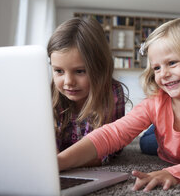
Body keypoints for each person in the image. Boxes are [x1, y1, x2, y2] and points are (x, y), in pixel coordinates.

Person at [57, 16, 180, 191]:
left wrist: (172, 173)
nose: (162, 74)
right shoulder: (156, 101)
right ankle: (160, 129)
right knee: (147, 144)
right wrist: (60, 161)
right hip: (169, 138)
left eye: (171, 63)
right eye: (156, 67)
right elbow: (112, 134)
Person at [47, 17, 127, 166]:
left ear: (100, 68)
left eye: (80, 71)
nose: (68, 81)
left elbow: (101, 155)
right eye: (58, 71)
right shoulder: (49, 92)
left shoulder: (112, 93)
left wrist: (56, 163)